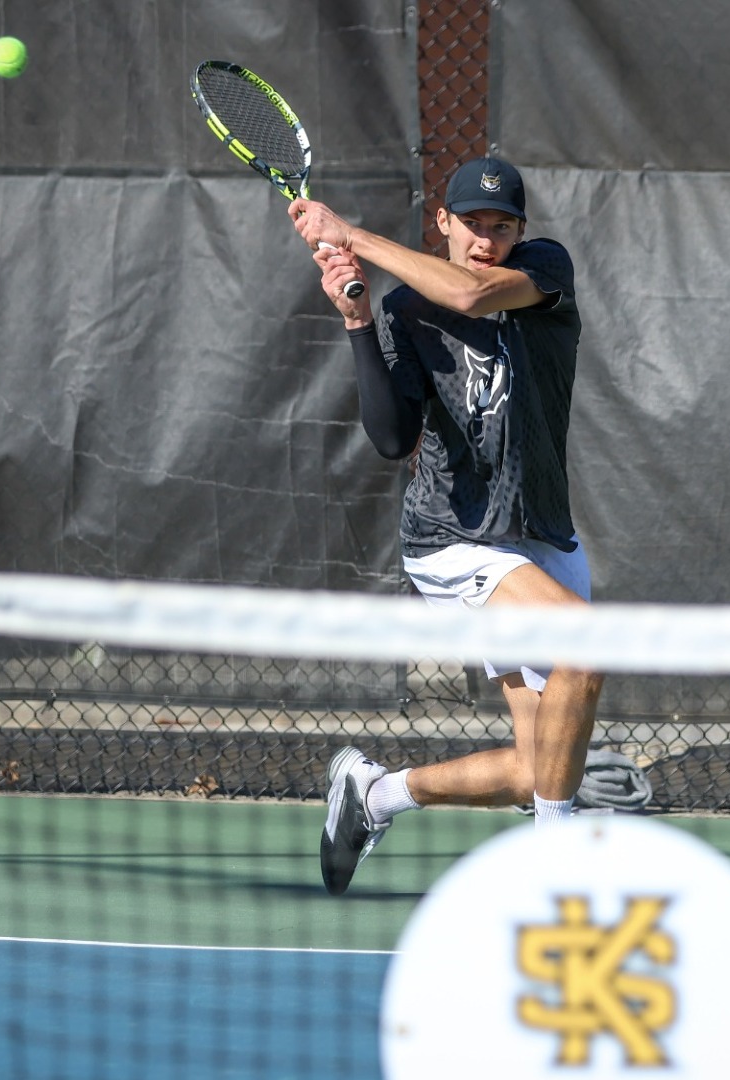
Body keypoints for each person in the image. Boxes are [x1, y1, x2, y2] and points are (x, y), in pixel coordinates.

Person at [289, 157, 604, 896]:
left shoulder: (543, 274)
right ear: (444, 222)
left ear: (522, 233)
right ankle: (554, 879)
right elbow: (394, 438)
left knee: (536, 771)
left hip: (542, 536)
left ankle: (374, 796)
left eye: (502, 227)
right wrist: (360, 322)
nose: (486, 240)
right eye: (472, 225)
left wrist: (351, 235)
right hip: (455, 538)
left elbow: (468, 291)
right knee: (584, 650)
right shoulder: (406, 309)